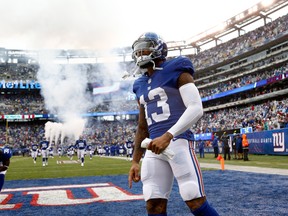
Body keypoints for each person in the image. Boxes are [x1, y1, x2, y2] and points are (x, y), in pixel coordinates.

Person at [128, 32, 219, 216]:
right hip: (154, 147)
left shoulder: (176, 68)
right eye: (137, 51)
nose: (140, 54)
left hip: (178, 142)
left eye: (144, 49)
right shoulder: (139, 84)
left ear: (158, 48)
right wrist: (135, 160)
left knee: (193, 196)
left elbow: (196, 107)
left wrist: (168, 136)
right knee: (153, 202)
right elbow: (142, 126)